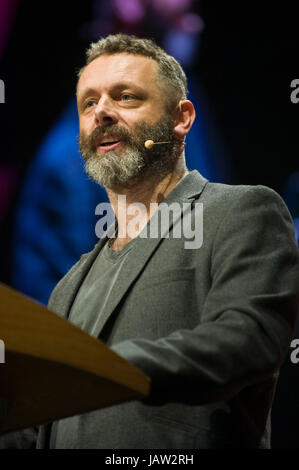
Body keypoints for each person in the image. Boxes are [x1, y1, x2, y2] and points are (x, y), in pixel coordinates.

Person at [2, 33, 299, 449]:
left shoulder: (242, 212)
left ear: (182, 118)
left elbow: (246, 342)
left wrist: (102, 369)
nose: (101, 111)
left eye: (124, 97)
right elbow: (33, 427)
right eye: (88, 103)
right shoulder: (69, 285)